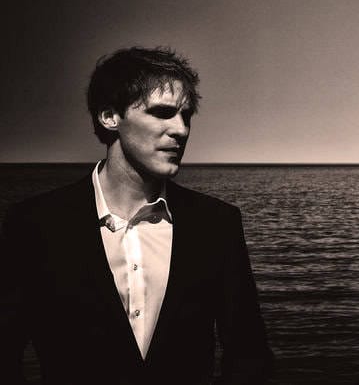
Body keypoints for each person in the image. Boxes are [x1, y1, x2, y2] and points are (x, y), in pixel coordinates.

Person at [1, 47, 272, 384]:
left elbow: (248, 356)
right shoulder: (36, 225)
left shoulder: (217, 224)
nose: (181, 130)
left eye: (185, 115)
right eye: (162, 113)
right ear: (109, 116)